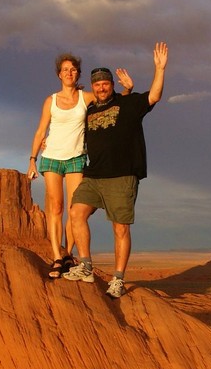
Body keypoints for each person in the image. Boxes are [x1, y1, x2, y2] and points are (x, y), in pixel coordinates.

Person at [62, 42, 168, 298]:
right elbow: (69, 126)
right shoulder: (89, 110)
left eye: (105, 83)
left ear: (111, 85)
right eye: (96, 84)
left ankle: (118, 279)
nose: (101, 87)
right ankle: (85, 265)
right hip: (93, 176)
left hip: (121, 177)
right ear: (93, 87)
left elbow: (153, 96)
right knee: (76, 213)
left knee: (120, 228)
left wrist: (159, 69)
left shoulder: (128, 104)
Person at [27, 53, 132, 279]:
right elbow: (40, 131)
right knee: (55, 209)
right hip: (52, 158)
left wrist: (128, 90)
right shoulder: (51, 101)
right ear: (59, 74)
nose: (69, 73)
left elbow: (112, 103)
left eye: (73, 70)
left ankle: (68, 254)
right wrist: (33, 159)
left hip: (76, 159)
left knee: (75, 210)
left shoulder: (86, 98)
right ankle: (57, 257)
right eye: (65, 70)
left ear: (78, 74)